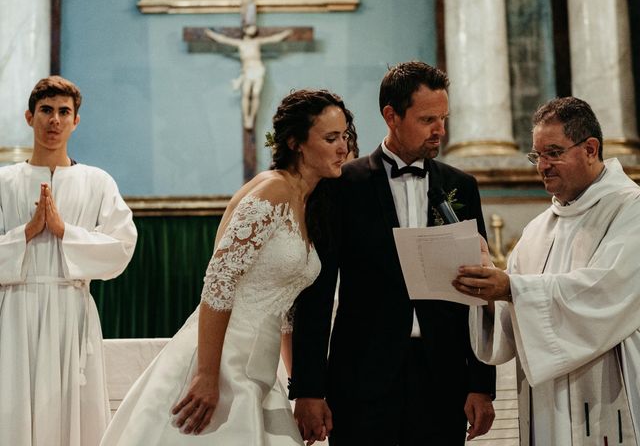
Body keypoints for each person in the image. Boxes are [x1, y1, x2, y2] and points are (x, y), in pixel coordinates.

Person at [100, 89, 356, 445]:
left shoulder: (307, 203)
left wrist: (301, 389)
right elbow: (218, 283)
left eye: (344, 136)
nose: (343, 147)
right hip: (222, 360)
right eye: (330, 138)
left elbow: (284, 311)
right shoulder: (272, 192)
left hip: (261, 368)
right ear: (297, 142)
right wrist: (207, 375)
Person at [290, 61, 496, 445]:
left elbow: (477, 293)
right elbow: (316, 292)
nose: (441, 130)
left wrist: (481, 385)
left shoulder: (461, 186)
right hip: (361, 379)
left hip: (442, 381)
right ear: (391, 115)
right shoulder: (341, 186)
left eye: (444, 118)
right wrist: (308, 389)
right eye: (428, 119)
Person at [453, 96, 640, 445]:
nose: (542, 166)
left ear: (590, 148)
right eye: (537, 155)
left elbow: (604, 292)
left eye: (553, 152)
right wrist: (487, 291)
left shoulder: (630, 211)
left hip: (607, 396)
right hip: (545, 404)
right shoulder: (537, 229)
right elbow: (510, 327)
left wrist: (510, 288)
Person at [0, 76, 137, 446]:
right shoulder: (4, 181)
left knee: (71, 411)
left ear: (76, 121)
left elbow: (121, 247)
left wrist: (65, 232)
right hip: (13, 312)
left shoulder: (97, 181)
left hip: (71, 306)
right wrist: (25, 233)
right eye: (46, 110)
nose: (54, 120)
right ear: (29, 117)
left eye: (64, 112)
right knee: (12, 408)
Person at [205, 25, 292, 130]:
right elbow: (223, 40)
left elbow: (273, 39)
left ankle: (251, 117)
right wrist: (211, 34)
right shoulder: (240, 43)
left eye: (254, 28)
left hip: (258, 70)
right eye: (251, 27)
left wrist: (285, 34)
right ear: (245, 30)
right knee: (246, 94)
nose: (253, 29)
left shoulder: (257, 42)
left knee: (255, 94)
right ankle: (246, 117)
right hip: (247, 71)